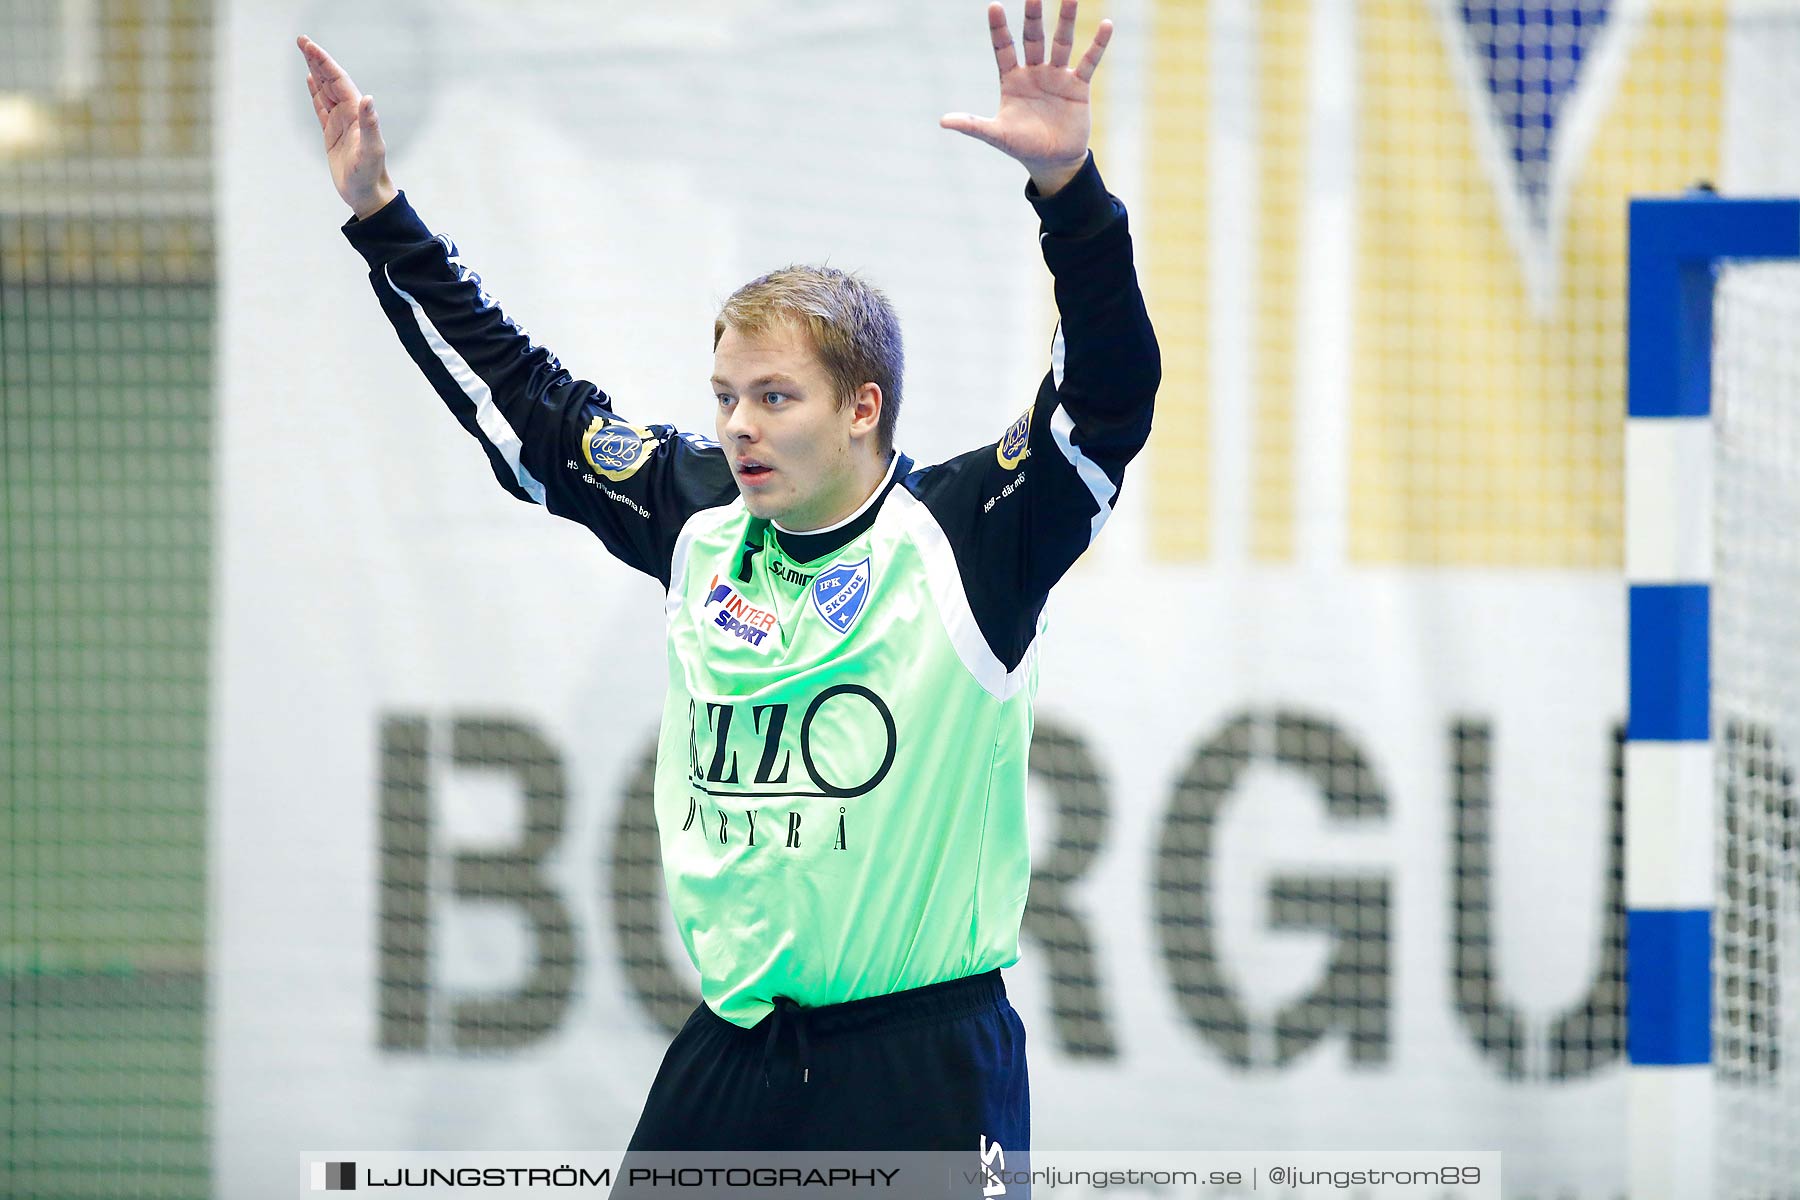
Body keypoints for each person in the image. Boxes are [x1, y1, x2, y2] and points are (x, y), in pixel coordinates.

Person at [300, 0, 1158, 1164]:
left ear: (863, 408)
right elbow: (531, 411)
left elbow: (1107, 397)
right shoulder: (704, 523)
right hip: (734, 1052)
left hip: (920, 1063)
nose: (740, 427)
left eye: (774, 396)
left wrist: (1073, 199)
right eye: (725, 396)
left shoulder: (966, 537)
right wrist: (381, 217)